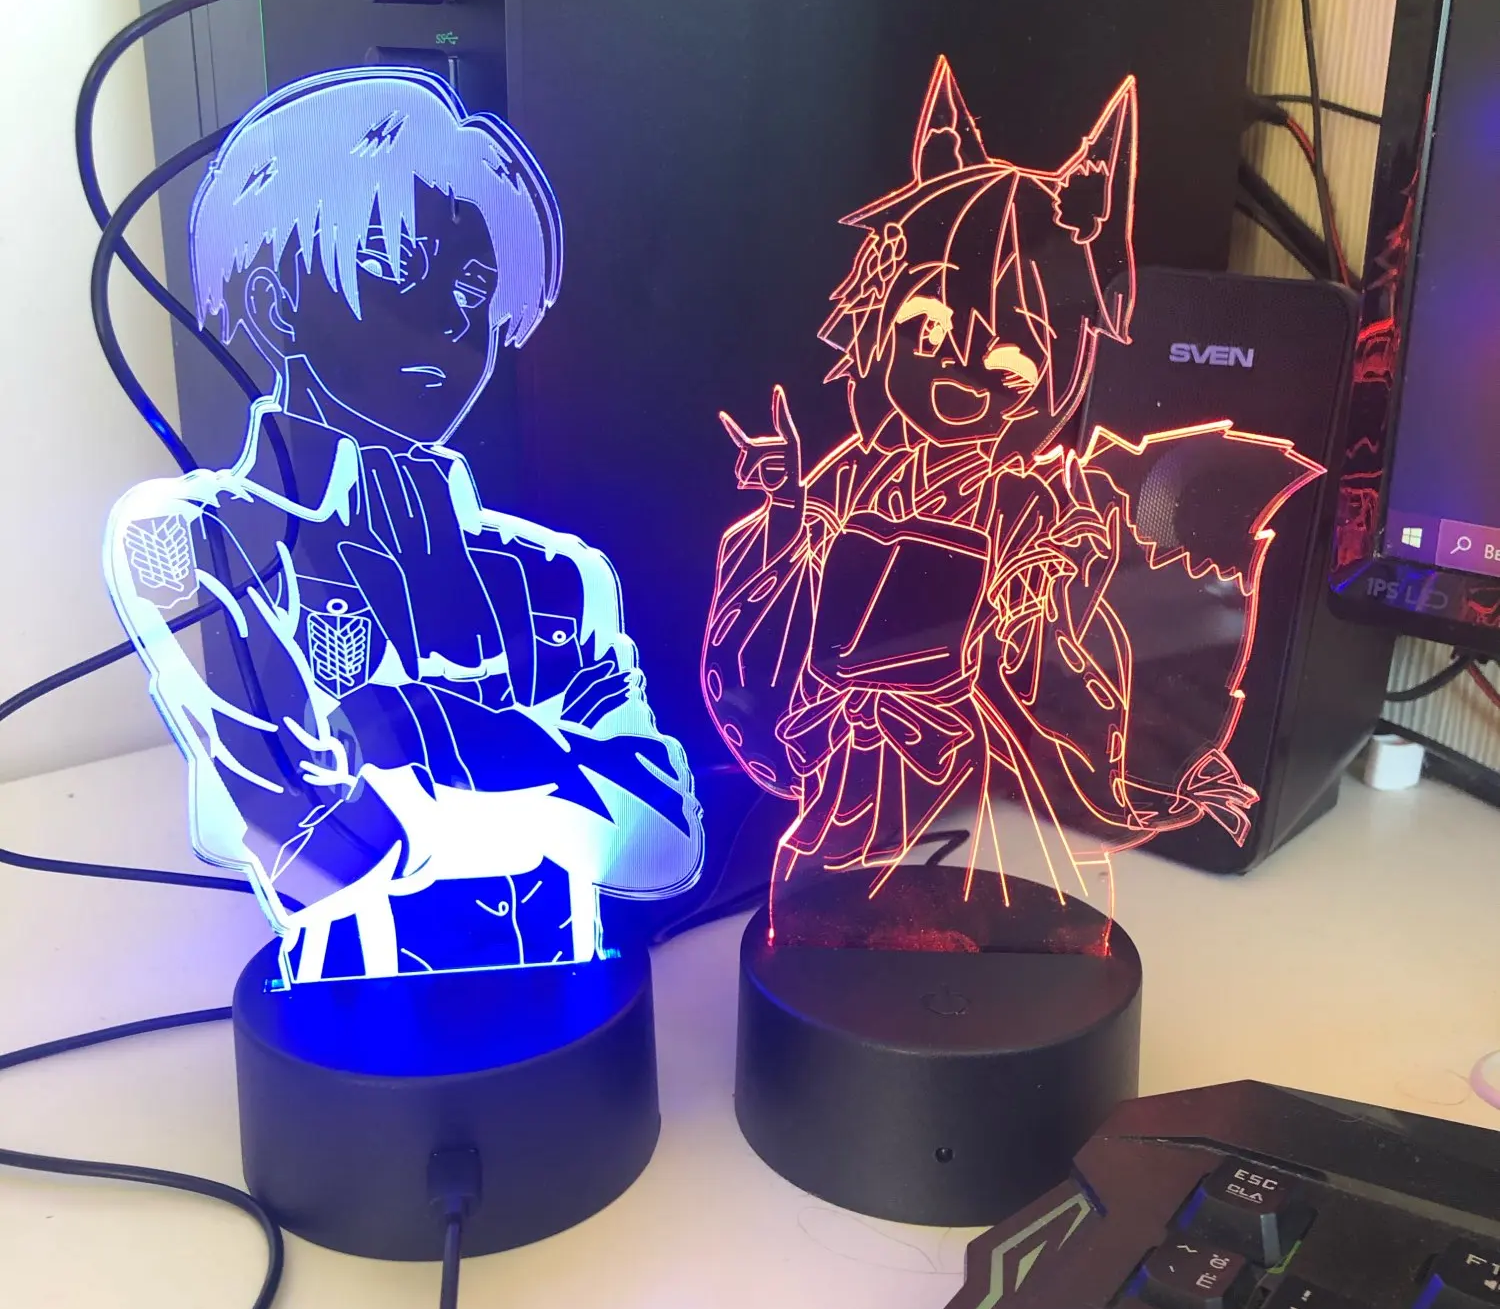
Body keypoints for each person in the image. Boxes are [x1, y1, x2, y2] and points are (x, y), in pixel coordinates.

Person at [108, 68, 702, 982]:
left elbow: (662, 844)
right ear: (273, 302)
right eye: (394, 266)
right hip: (343, 1016)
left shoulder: (556, 574)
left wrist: (408, 734)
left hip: (569, 1005)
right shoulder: (190, 541)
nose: (450, 322)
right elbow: (306, 848)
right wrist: (553, 774)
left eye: (474, 287)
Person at [703, 59, 1319, 935]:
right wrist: (787, 514)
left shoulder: (1040, 506)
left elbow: (1072, 687)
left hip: (989, 811)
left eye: (1009, 355)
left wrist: (1033, 614)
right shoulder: (844, 479)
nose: (960, 372)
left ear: (1062, 362)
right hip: (846, 788)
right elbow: (758, 682)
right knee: (826, 923)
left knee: (999, 917)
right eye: (926, 331)